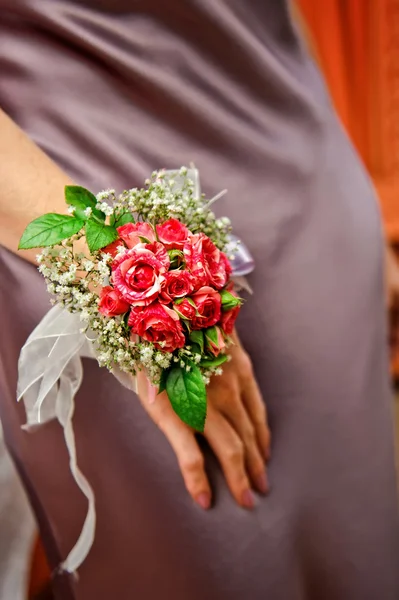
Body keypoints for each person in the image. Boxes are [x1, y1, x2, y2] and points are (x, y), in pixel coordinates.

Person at [0, 1, 398, 599]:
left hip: (307, 195)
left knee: (357, 548)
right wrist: (130, 284)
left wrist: (357, 194)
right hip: (82, 225)